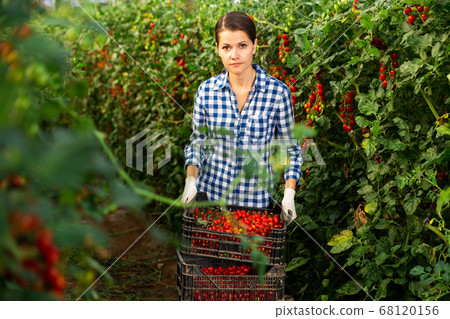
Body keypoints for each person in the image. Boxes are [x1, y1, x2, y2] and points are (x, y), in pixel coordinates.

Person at [181, 11, 302, 224]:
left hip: (255, 209)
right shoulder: (206, 92)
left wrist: (289, 194)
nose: (234, 55)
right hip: (211, 204)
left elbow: (290, 150)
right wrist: (191, 180)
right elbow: (197, 144)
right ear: (218, 50)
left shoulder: (277, 93)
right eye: (226, 47)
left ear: (255, 46)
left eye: (242, 46)